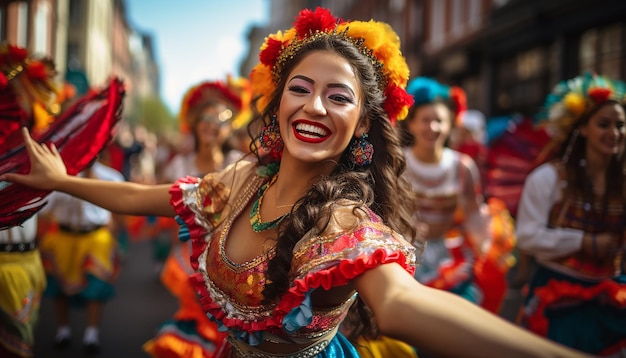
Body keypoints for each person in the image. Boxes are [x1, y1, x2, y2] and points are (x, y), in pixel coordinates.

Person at [1, 7, 589, 358]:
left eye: (339, 97)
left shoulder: (344, 223)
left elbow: (406, 303)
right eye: (300, 88)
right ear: (278, 101)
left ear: (361, 125)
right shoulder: (241, 181)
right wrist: (63, 180)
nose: (314, 106)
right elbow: (143, 197)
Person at [515, 72, 626, 355]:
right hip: (558, 296)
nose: (614, 133)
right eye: (604, 124)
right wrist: (585, 242)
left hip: (612, 296)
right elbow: (527, 237)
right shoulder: (549, 178)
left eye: (620, 125)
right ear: (583, 128)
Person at [143, 77, 250, 357]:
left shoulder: (240, 164)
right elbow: (162, 205)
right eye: (205, 117)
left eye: (221, 118)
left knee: (228, 328)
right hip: (189, 258)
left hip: (231, 259)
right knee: (196, 319)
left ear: (230, 128)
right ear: (195, 123)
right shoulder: (178, 165)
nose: (212, 124)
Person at [400, 77, 515, 314]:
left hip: (450, 259)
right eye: (425, 120)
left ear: (451, 124)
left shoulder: (463, 166)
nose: (432, 128)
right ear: (411, 124)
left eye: (439, 121)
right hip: (404, 258)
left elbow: (474, 214)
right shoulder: (397, 162)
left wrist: (487, 246)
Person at [36, 159, 124, 354]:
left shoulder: (111, 177)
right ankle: (63, 330)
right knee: (58, 286)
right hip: (64, 236)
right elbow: (43, 209)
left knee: (96, 285)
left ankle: (91, 334)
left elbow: (121, 210)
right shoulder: (59, 175)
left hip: (96, 237)